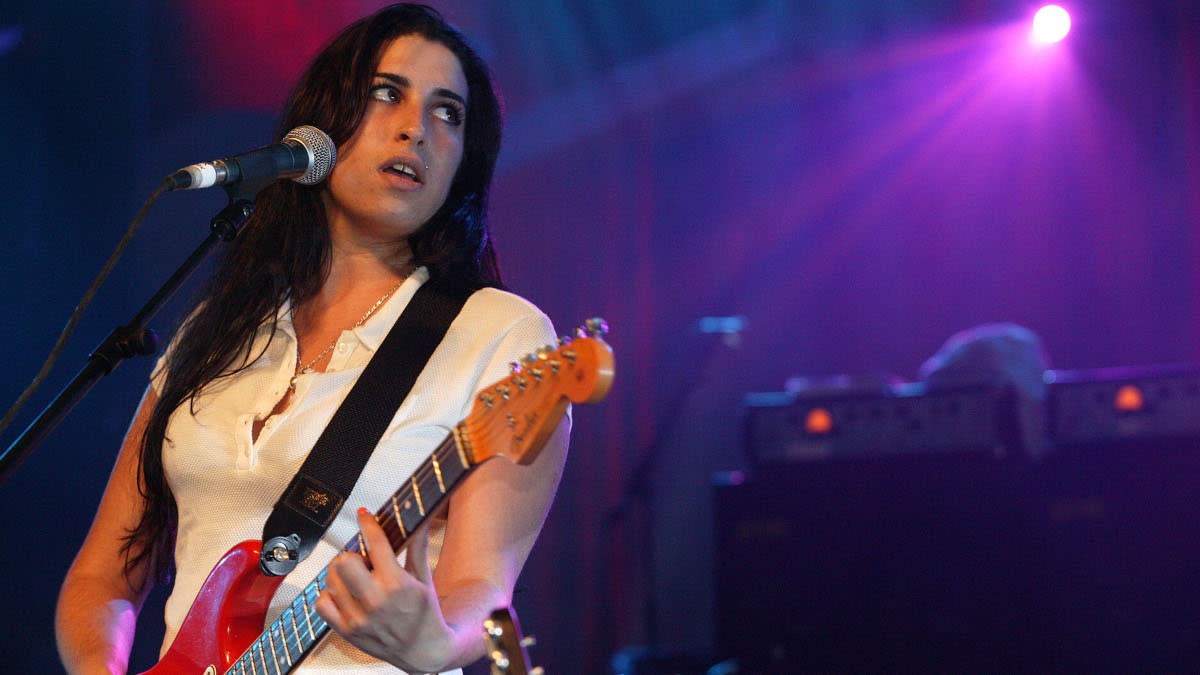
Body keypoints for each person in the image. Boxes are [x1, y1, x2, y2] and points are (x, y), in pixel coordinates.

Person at [54, 4, 571, 673]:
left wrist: (435, 641)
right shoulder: (218, 328)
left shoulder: (499, 332)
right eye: (388, 93)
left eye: (449, 113)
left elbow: (482, 588)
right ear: (321, 121)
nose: (417, 127)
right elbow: (102, 575)